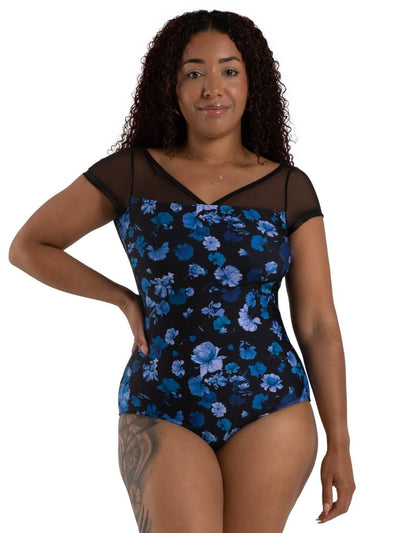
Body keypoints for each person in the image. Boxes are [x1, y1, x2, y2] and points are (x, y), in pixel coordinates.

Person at [9, 9, 355, 533]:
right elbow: (29, 246)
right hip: (161, 401)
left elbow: (318, 323)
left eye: (229, 71)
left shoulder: (289, 188)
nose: (213, 88)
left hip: (272, 406)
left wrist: (340, 442)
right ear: (170, 87)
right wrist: (123, 298)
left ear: (252, 83)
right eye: (194, 73)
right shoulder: (130, 173)